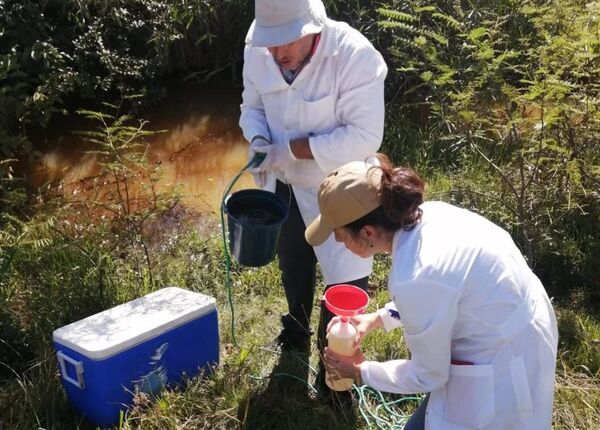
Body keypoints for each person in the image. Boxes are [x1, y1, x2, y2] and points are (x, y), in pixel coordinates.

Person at [305, 155, 558, 429]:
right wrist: (378, 318)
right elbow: (445, 291)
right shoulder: (429, 214)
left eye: (340, 235)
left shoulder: (415, 275)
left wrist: (360, 371)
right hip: (511, 319)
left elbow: (429, 375)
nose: (338, 242)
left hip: (503, 363)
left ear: (367, 231)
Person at [238, 0, 388, 390]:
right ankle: (297, 329)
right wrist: (257, 139)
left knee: (346, 279)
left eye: (285, 42)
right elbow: (251, 106)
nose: (276, 53)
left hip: (342, 190)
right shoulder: (258, 48)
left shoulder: (354, 56)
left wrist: (290, 148)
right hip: (285, 184)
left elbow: (364, 136)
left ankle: (336, 368)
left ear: (313, 27)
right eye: (269, 44)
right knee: (293, 261)